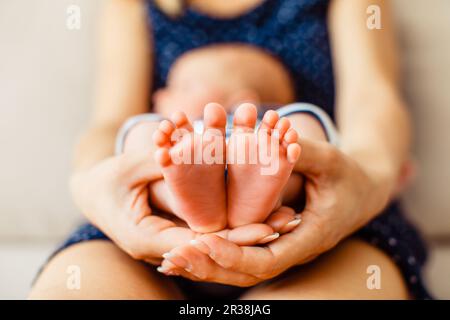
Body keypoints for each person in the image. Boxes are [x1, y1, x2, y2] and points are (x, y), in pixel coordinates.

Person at [30, 0, 431, 299]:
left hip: (332, 214)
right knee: (140, 140)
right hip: (146, 228)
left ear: (244, 101)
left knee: (303, 138)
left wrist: (370, 177)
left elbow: (373, 100)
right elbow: (110, 122)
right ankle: (206, 196)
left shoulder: (272, 119)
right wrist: (93, 181)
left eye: (179, 90)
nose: (163, 94)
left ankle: (241, 193)